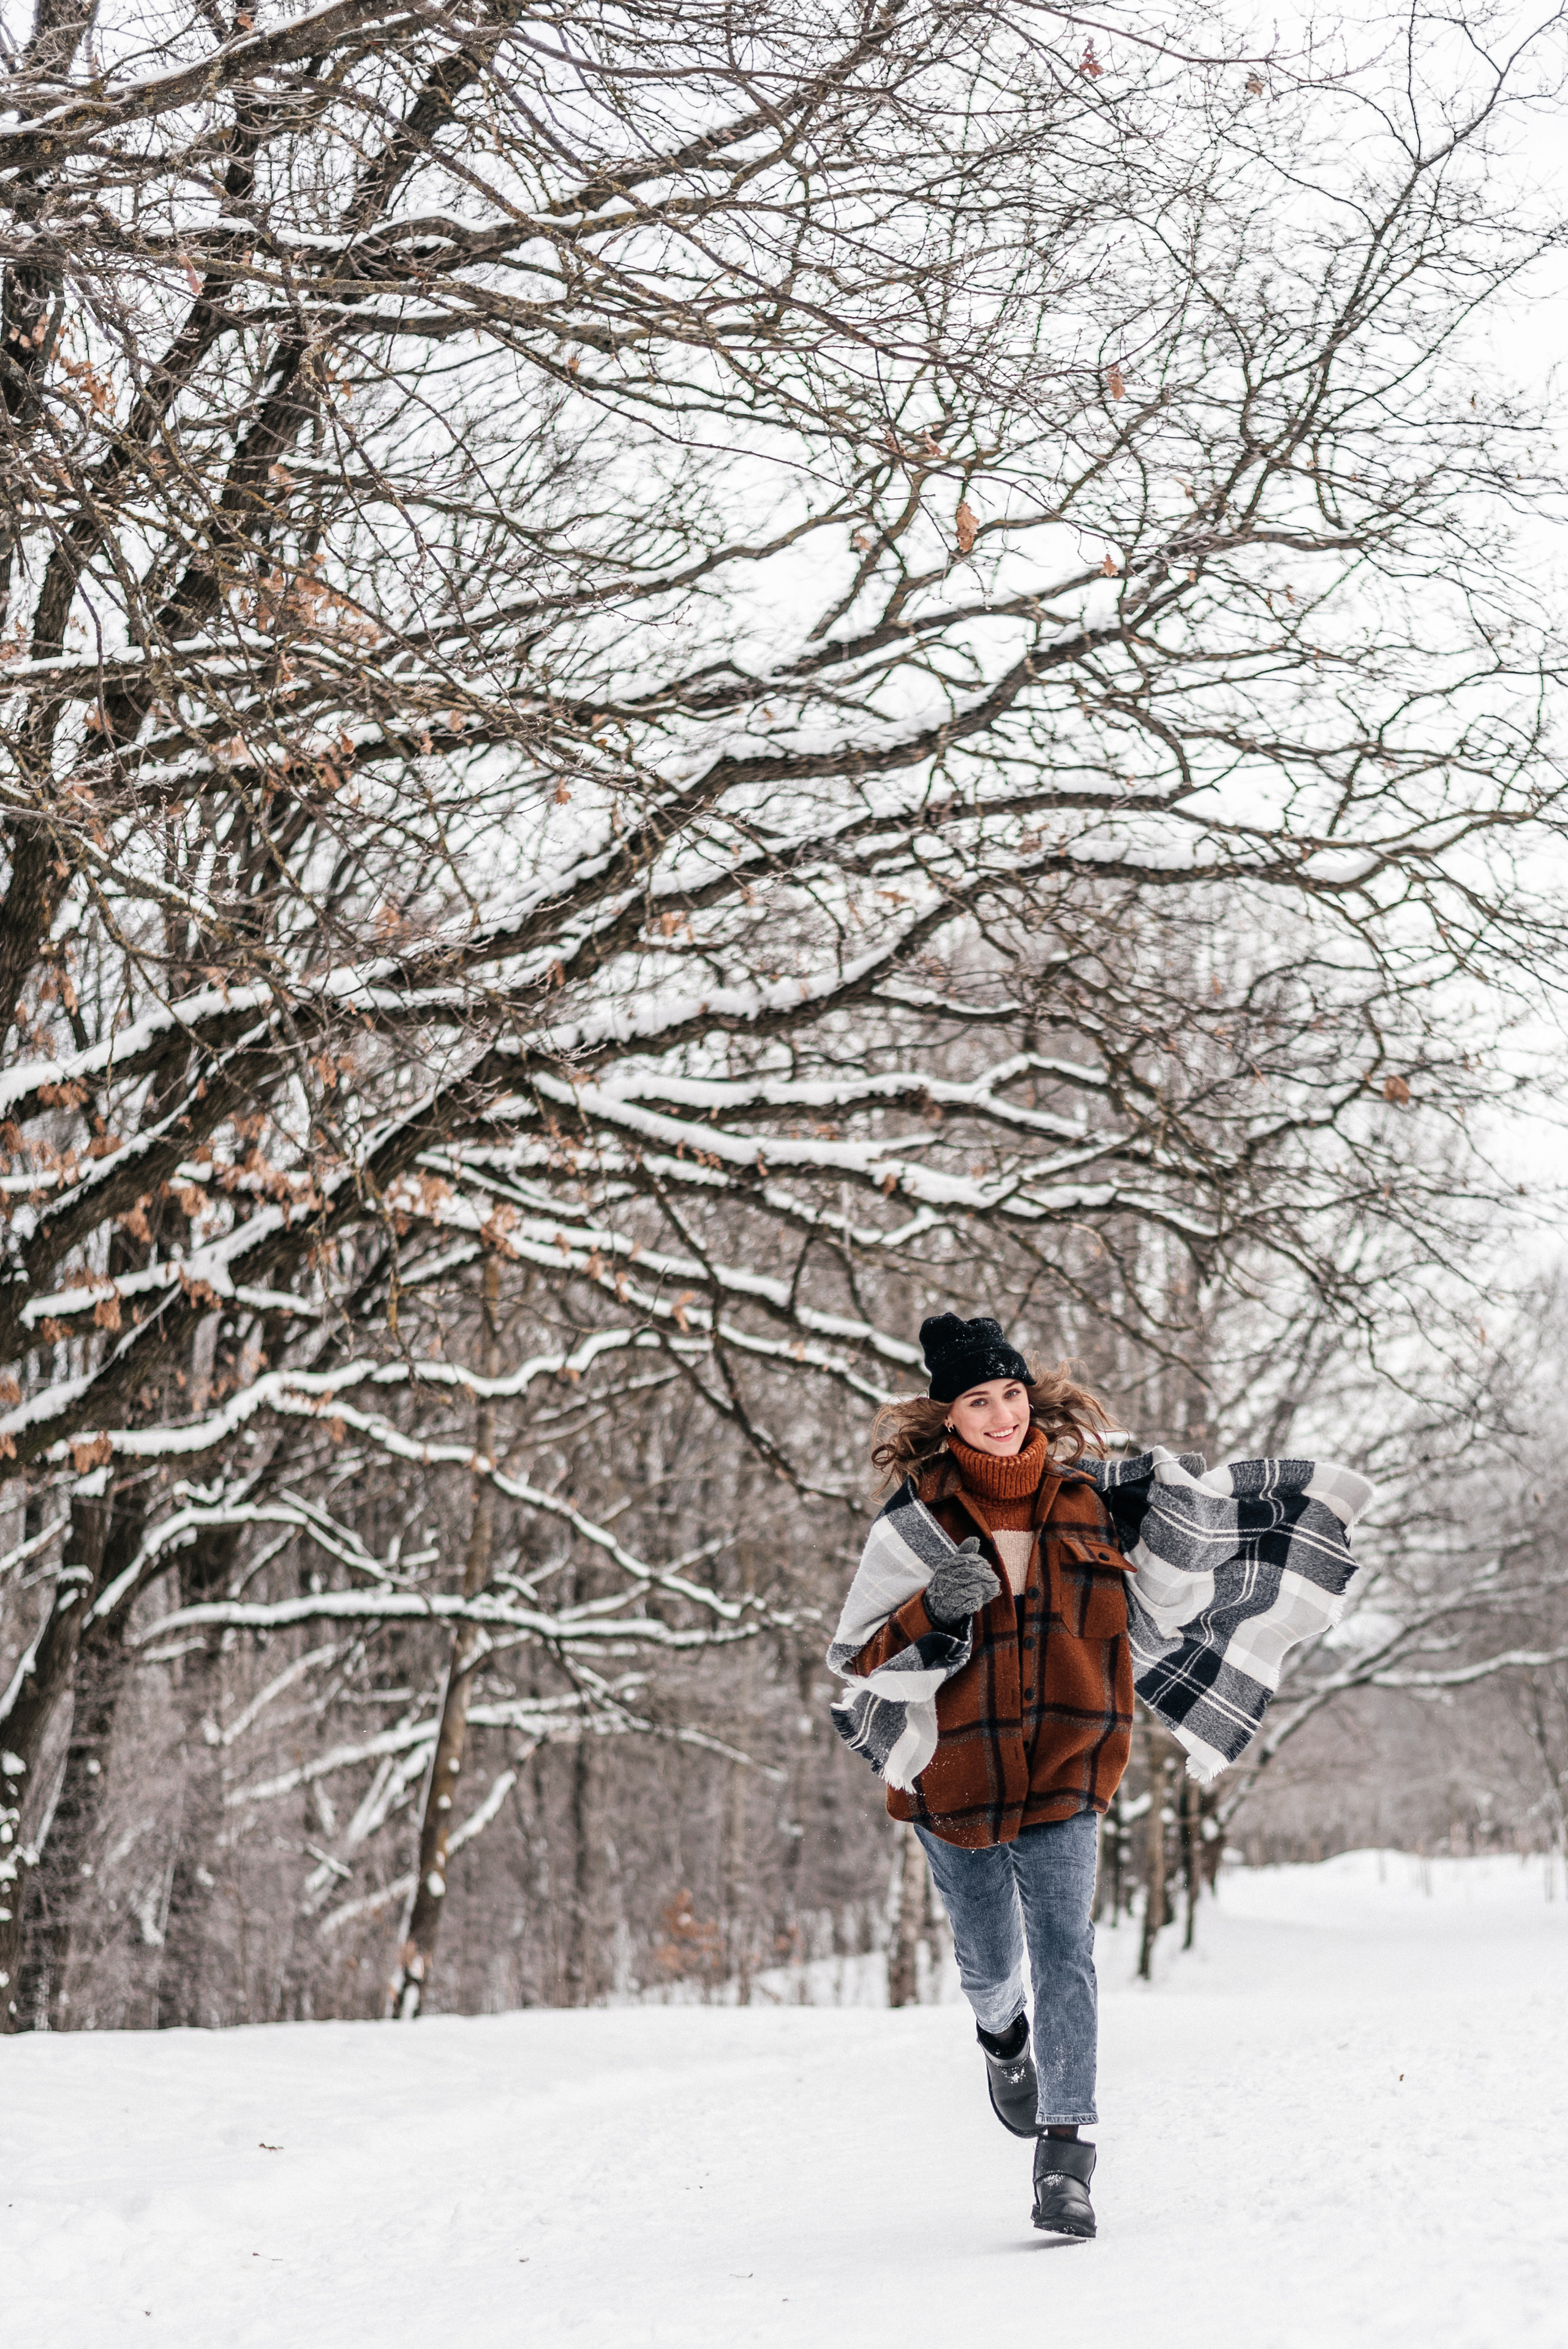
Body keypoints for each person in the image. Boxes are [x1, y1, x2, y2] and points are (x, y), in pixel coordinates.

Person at [835, 1312, 1131, 2240]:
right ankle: (1004, 2041)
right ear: (949, 1416)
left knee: (1065, 1951)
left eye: (1011, 1393)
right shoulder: (914, 1521)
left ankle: (1067, 2155)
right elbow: (858, 1662)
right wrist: (934, 1608)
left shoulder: (1094, 1501)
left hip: (1066, 1763)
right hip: (955, 1773)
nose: (1002, 1414)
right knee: (991, 1959)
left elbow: (1175, 1583)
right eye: (978, 1400)